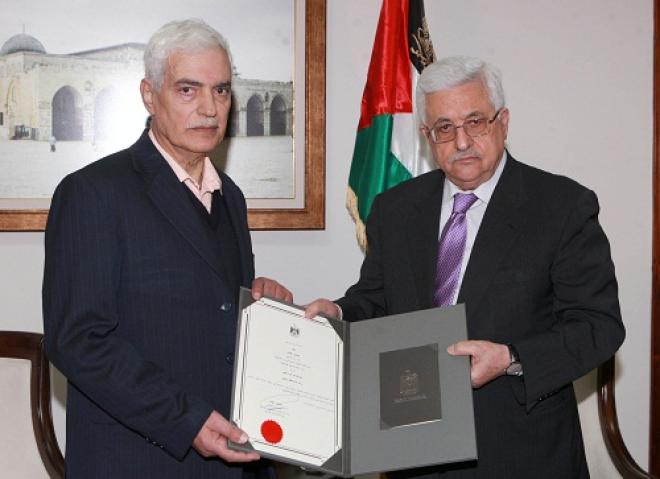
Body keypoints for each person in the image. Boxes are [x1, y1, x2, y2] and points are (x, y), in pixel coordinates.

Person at [305, 56, 625, 478]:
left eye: (475, 122)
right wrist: (339, 312)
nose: (461, 142)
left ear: (503, 122)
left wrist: (510, 357)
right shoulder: (394, 210)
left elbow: (599, 327)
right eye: (444, 128)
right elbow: (377, 298)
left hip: (520, 455)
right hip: (412, 454)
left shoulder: (562, 206)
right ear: (426, 136)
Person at [43, 19, 292, 478]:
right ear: (149, 95)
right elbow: (77, 340)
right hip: (140, 462)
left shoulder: (231, 196)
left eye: (221, 91)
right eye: (187, 90)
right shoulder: (92, 192)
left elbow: (211, 308)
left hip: (232, 459)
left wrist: (259, 306)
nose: (209, 109)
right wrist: (185, 419)